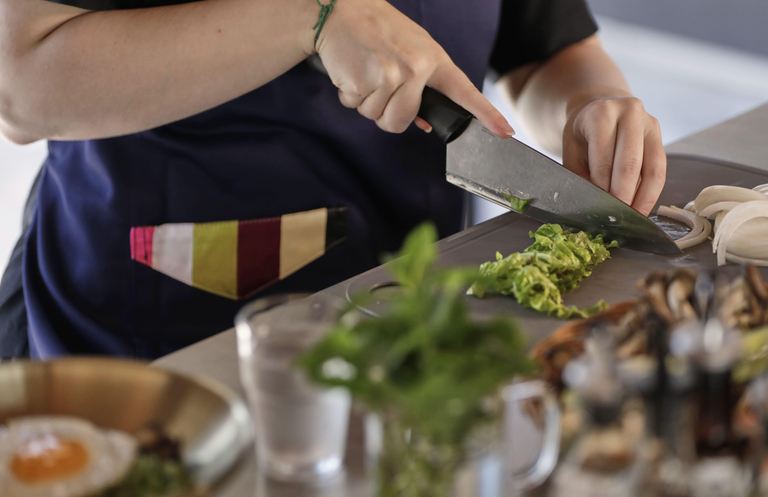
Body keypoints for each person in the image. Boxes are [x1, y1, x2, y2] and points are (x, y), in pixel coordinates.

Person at [0, 0, 666, 359]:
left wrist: (592, 103)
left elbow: (544, 48)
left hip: (402, 317)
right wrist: (310, 17)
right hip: (158, 338)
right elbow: (22, 83)